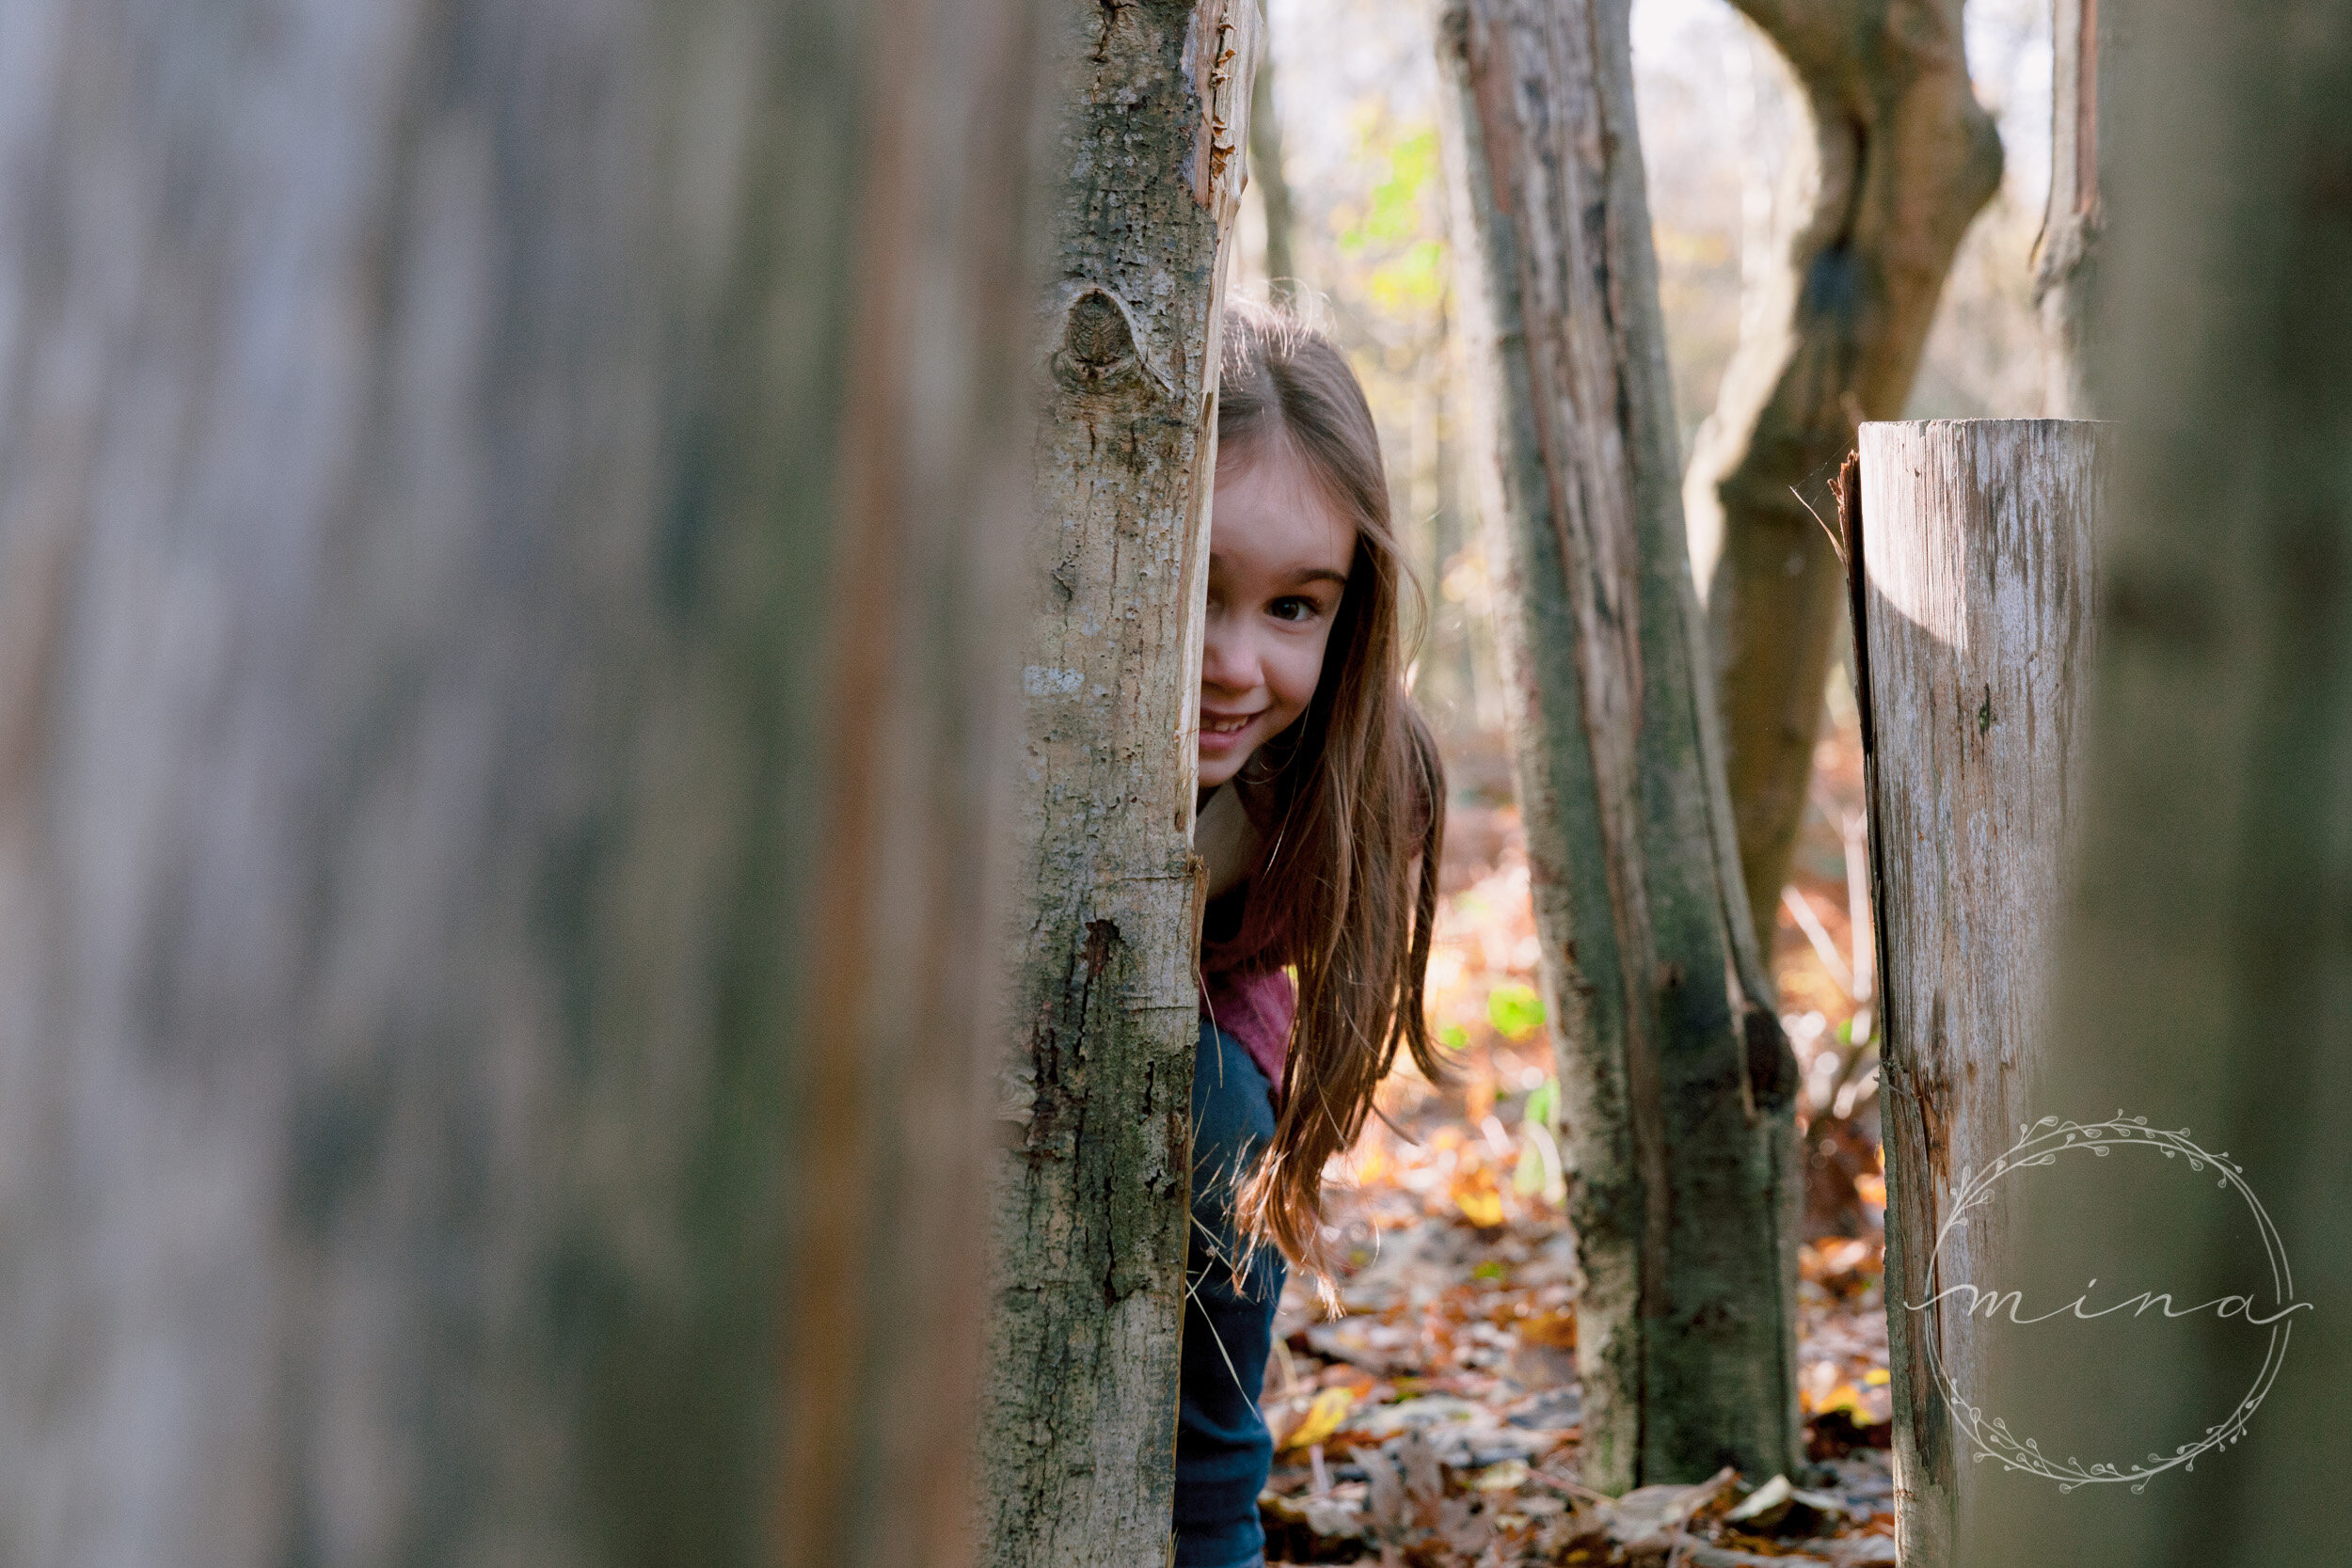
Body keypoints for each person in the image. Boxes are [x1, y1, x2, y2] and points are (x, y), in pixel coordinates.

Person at [1176, 303, 1448, 1568]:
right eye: (1196, 591)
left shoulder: (1353, 773)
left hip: (1210, 1062)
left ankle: (1213, 1531)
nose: (1235, 664)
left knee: (1215, 1107)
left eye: (1293, 607)